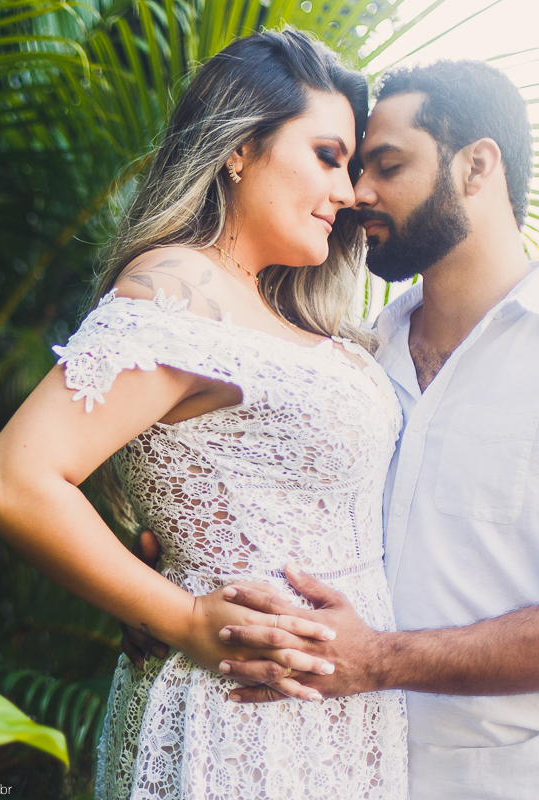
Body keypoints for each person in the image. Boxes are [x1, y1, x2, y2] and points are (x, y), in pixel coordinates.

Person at [0, 29, 407, 800]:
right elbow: (14, 481)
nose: (348, 194)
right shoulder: (178, 285)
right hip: (240, 717)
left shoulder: (272, 303)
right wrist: (184, 618)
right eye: (328, 157)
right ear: (239, 149)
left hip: (334, 719)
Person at [145, 60, 538, 800]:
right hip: (314, 763)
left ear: (477, 167)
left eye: (386, 166)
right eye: (352, 165)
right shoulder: (356, 357)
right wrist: (173, 588)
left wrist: (378, 660)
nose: (357, 194)